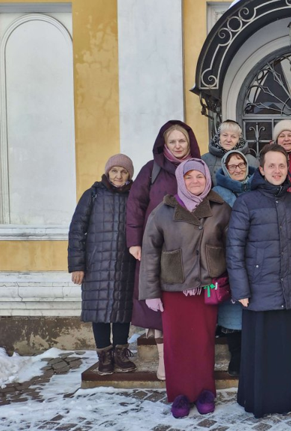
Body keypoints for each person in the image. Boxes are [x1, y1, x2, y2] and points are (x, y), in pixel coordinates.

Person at [139, 158, 231, 419]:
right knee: (176, 343)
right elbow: (150, 253)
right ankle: (179, 393)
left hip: (205, 288)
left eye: (199, 177)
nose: (194, 182)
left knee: (202, 341)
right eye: (189, 177)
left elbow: (231, 248)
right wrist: (151, 292)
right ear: (181, 180)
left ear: (207, 179)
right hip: (173, 289)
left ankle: (205, 391)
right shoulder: (164, 210)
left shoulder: (220, 208)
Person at [227, 144, 291, 418]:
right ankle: (258, 398)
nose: (277, 170)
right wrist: (241, 289)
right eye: (271, 165)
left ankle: (286, 396)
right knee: (260, 350)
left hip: (287, 289)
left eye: (281, 165)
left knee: (284, 347)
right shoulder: (246, 202)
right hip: (257, 291)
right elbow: (234, 248)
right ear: (260, 169)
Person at [126, 120, 202, 381]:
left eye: (182, 141)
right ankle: (164, 360)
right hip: (157, 246)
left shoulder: (198, 168)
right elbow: (135, 205)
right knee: (160, 306)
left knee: (188, 306)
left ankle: (188, 358)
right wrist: (134, 242)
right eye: (173, 141)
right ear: (164, 144)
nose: (178, 146)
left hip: (190, 248)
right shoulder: (152, 170)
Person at [68, 154, 137, 375]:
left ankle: (120, 353)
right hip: (95, 263)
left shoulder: (134, 197)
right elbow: (77, 230)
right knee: (98, 310)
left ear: (129, 175)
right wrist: (77, 265)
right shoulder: (93, 195)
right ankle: (104, 356)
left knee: (122, 309)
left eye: (123, 171)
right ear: (108, 172)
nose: (118, 175)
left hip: (125, 263)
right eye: (114, 170)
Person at [212, 150, 257, 377]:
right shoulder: (217, 194)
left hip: (256, 258)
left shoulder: (258, 188)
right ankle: (237, 358)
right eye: (233, 166)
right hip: (229, 257)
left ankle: (253, 356)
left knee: (254, 307)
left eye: (241, 164)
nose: (238, 169)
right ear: (225, 169)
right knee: (232, 310)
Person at [202, 120, 258, 185]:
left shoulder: (251, 160)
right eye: (225, 135)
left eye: (233, 137)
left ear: (239, 140)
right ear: (219, 137)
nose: (228, 140)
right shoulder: (205, 160)